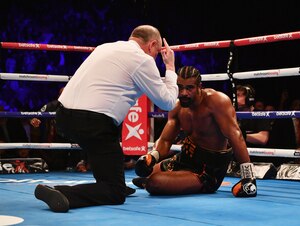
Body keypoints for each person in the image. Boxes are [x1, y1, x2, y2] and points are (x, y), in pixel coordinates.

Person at [34, 25, 178, 212]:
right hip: (92, 123)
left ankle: (110, 180)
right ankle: (64, 193)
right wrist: (170, 67)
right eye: (157, 52)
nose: (156, 57)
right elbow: (167, 102)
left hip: (63, 116)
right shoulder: (143, 60)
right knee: (114, 192)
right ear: (152, 45)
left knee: (109, 140)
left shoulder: (105, 47)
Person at [132, 66, 257, 197]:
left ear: (199, 87)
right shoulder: (177, 107)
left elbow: (235, 136)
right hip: (185, 157)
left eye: (189, 88)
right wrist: (152, 157)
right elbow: (165, 140)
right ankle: (169, 181)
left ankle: (163, 183)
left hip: (208, 168)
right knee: (147, 171)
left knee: (154, 182)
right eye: (180, 87)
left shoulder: (216, 101)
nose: (184, 93)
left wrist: (248, 177)